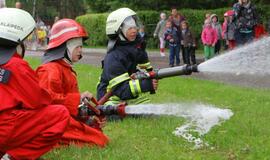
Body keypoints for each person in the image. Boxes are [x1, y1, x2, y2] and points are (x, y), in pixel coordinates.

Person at [0, 8, 69, 160]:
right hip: (5, 129)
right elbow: (38, 101)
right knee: (60, 115)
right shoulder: (16, 65)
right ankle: (14, 156)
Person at [36, 19, 109, 147]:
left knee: (97, 133)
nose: (81, 51)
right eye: (77, 47)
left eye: (81, 47)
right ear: (65, 47)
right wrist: (78, 99)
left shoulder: (65, 69)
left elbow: (68, 104)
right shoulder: (50, 70)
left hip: (62, 120)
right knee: (98, 140)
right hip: (50, 124)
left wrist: (89, 118)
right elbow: (47, 101)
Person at [97, 8, 158, 106]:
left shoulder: (137, 48)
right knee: (116, 115)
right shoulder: (114, 56)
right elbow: (120, 89)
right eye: (129, 28)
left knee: (148, 110)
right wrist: (145, 85)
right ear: (118, 30)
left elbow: (147, 71)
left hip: (128, 96)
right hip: (110, 98)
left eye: (135, 27)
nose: (134, 31)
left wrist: (150, 76)